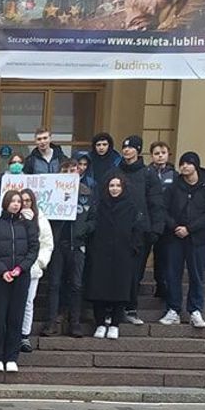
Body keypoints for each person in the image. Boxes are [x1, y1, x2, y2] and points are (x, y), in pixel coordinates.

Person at [160, 152, 205, 329]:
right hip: (175, 237)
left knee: (196, 275)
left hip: (199, 239)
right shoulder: (173, 187)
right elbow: (164, 210)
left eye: (188, 163)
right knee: (172, 274)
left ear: (196, 166)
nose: (184, 166)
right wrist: (175, 227)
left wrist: (190, 228)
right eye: (182, 164)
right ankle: (173, 309)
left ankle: (195, 310)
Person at [0, 190, 40, 372]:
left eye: (19, 201)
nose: (16, 204)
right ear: (5, 203)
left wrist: (20, 268)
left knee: (16, 317)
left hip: (20, 277)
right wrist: (2, 270)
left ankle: (12, 356)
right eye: (13, 201)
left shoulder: (28, 226)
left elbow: (33, 249)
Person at [83, 175, 143, 340]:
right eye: (111, 185)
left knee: (120, 290)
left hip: (123, 255)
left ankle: (115, 324)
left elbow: (137, 231)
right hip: (100, 254)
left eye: (118, 185)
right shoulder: (99, 205)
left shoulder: (131, 207)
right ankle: (100, 323)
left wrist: (133, 249)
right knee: (98, 289)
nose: (114, 188)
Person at [42, 160, 93, 338]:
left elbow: (94, 218)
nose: (70, 173)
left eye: (73, 170)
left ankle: (75, 323)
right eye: (66, 170)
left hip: (77, 245)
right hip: (57, 245)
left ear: (79, 171)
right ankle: (50, 322)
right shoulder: (53, 191)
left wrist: (84, 230)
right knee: (54, 284)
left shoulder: (87, 192)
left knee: (76, 285)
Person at [118, 134, 165, 325]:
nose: (127, 150)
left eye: (130, 147)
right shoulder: (116, 172)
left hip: (141, 233)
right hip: (119, 232)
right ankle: (115, 308)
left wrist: (156, 229)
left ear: (138, 150)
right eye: (124, 147)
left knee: (135, 273)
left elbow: (156, 203)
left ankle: (131, 308)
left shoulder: (148, 174)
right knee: (118, 271)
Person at [17, 188, 53, 352]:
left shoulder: (41, 220)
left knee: (28, 302)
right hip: (13, 267)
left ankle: (24, 335)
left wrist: (39, 263)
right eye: (22, 200)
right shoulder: (13, 218)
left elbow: (47, 244)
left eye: (28, 201)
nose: (25, 204)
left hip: (32, 268)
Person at [147, 140, 176, 299]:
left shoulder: (175, 175)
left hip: (167, 223)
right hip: (150, 221)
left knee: (163, 257)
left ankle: (162, 285)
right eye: (157, 153)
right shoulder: (146, 173)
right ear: (152, 156)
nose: (160, 156)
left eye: (163, 153)